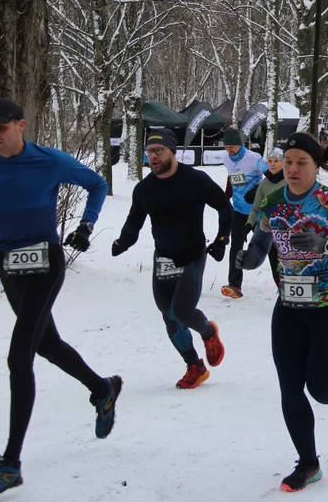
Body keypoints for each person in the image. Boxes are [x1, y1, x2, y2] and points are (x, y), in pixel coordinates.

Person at [0, 98, 120, 494]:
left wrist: (86, 225)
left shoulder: (49, 160)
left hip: (45, 264)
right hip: (9, 265)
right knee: (46, 344)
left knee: (19, 355)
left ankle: (10, 463)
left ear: (21, 126)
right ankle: (102, 389)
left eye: (1, 128)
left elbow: (97, 184)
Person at [235, 133, 328, 493]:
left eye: (302, 163)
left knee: (323, 388)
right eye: (289, 161)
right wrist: (248, 259)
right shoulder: (273, 204)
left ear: (316, 167)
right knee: (290, 388)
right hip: (289, 306)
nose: (294, 169)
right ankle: (308, 463)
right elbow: (262, 245)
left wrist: (327, 245)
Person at [111, 128, 231, 388]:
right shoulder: (144, 189)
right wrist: (123, 242)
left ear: (172, 152)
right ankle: (195, 367)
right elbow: (134, 221)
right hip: (163, 258)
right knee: (169, 316)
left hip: (192, 256)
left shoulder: (195, 180)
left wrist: (222, 239)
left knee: (182, 311)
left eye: (158, 151)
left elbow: (224, 206)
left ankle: (208, 332)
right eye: (149, 152)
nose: (152, 157)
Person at [220, 128, 267, 299]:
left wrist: (257, 190)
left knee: (271, 247)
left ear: (240, 144)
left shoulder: (254, 159)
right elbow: (232, 178)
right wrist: (226, 196)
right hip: (239, 211)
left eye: (232, 146)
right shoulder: (227, 159)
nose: (229, 150)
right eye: (226, 147)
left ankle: (283, 282)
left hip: (258, 211)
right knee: (236, 246)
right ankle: (234, 285)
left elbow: (273, 176)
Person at [248, 148, 287, 287]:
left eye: (276, 161)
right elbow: (255, 208)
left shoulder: (291, 181)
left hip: (290, 232)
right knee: (275, 263)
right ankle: (281, 291)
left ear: (284, 163)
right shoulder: (264, 184)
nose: (272, 164)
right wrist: (249, 223)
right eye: (270, 161)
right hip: (270, 232)